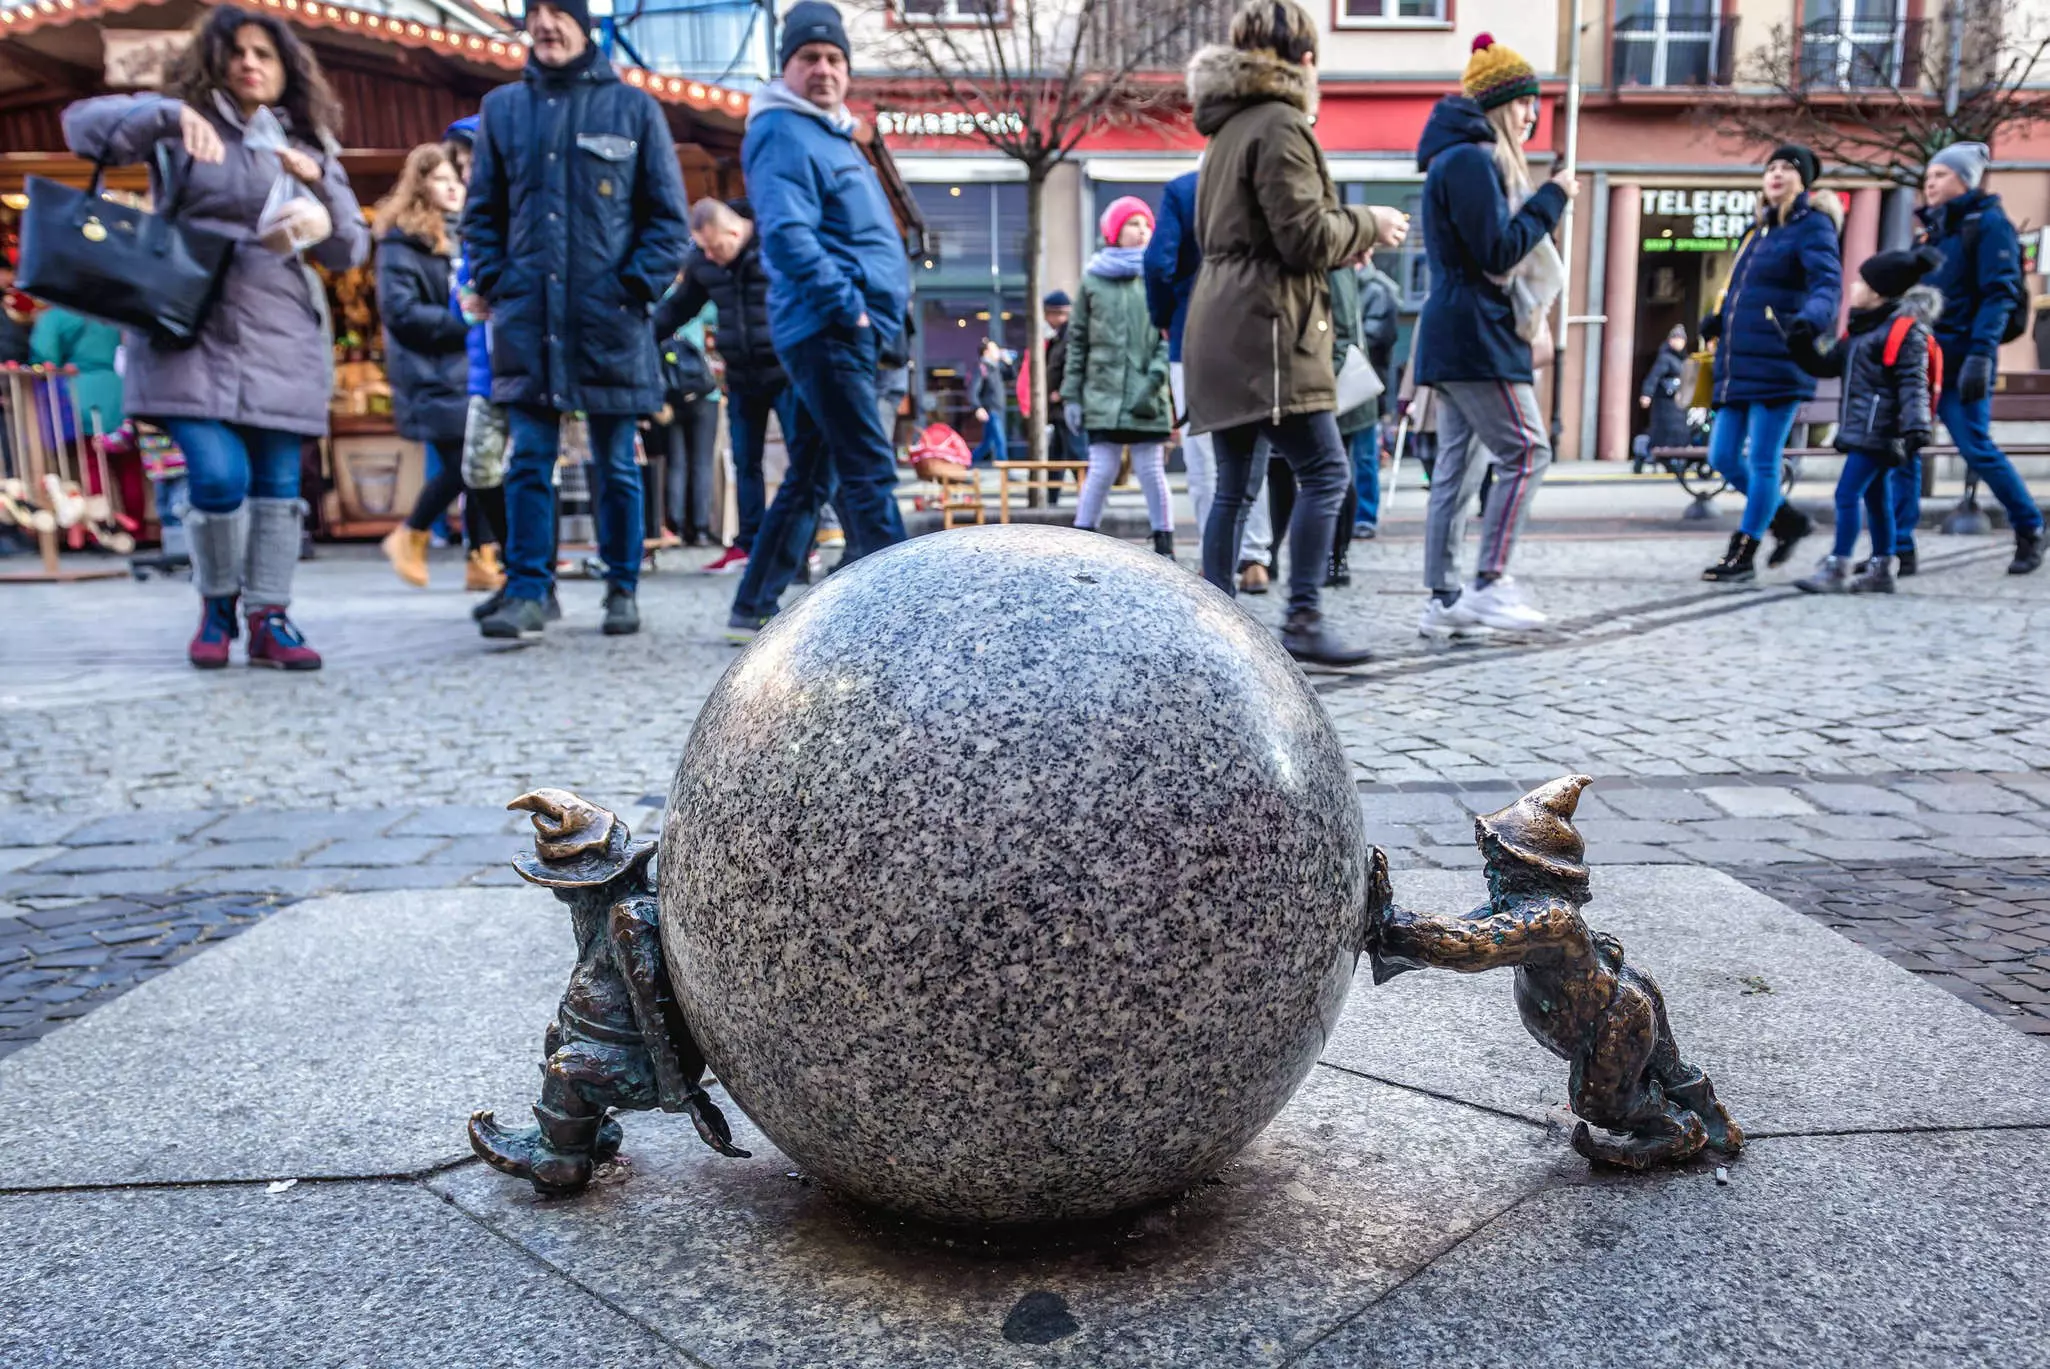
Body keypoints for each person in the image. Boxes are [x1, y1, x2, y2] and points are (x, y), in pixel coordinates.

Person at [62, 6, 367, 670]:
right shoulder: (179, 122)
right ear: (215, 61)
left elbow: (350, 249)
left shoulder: (310, 142)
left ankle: (270, 617)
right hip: (186, 325)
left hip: (281, 329)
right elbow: (82, 129)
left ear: (287, 69)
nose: (251, 63)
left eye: (265, 53)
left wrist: (320, 188)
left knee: (279, 483)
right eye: (237, 52)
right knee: (217, 471)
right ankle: (218, 603)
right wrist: (167, 115)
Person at [460, 0, 689, 640]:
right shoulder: (503, 110)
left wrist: (632, 288)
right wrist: (499, 283)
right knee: (529, 460)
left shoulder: (633, 108)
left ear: (583, 25)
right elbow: (482, 214)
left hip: (608, 320)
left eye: (559, 12)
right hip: (529, 320)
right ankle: (530, 589)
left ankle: (622, 586)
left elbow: (667, 219)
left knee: (615, 463)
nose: (546, 24)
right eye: (535, 12)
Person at [1184, 0, 1403, 665]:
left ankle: (1212, 628)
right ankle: (1303, 617)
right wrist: (1371, 224)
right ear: (1305, 61)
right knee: (1327, 472)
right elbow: (1305, 236)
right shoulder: (1280, 123)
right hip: (1269, 332)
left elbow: (1264, 233)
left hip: (1222, 322)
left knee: (1234, 485)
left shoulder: (1227, 130)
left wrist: (1340, 243)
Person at [726, 1, 910, 640]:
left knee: (811, 472)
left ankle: (752, 605)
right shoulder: (783, 130)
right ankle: (906, 617)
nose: (825, 69)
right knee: (867, 468)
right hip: (830, 327)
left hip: (837, 325)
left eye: (835, 58)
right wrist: (850, 308)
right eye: (810, 58)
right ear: (787, 67)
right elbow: (786, 234)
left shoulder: (828, 131)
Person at [1412, 34, 1574, 639]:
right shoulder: (1472, 159)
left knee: (1458, 467)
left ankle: (1445, 598)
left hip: (1458, 330)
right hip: (1477, 332)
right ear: (1502, 104)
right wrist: (1552, 198)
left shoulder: (1456, 158)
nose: (1533, 114)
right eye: (1526, 102)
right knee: (1528, 450)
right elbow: (1497, 251)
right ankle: (1489, 582)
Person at [1890, 142, 2043, 576]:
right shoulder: (1933, 232)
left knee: (1975, 447)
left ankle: (2030, 527)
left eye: (1939, 175)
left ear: (1964, 179)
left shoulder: (1989, 225)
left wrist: (1981, 354)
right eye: (1928, 176)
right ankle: (1900, 547)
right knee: (1905, 448)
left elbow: (2000, 294)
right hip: (1921, 358)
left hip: (1963, 358)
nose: (1929, 183)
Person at [1696, 143, 1841, 583]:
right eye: (1771, 167)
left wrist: (1809, 321)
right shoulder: (1756, 231)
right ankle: (1789, 520)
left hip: (1779, 356)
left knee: (1762, 461)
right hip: (1738, 361)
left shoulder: (1812, 226)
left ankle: (1743, 552)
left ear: (1803, 181)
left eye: (1786, 168)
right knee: (1722, 455)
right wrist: (1720, 318)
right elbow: (1744, 293)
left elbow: (1827, 284)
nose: (1776, 174)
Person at [374, 143, 505, 595]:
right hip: (429, 371)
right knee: (465, 466)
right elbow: (400, 311)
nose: (453, 188)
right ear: (422, 184)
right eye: (442, 180)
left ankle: (481, 559)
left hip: (468, 367)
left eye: (457, 179)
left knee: (479, 465)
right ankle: (410, 533)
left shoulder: (467, 234)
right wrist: (460, 320)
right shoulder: (402, 240)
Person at [1787, 248, 1941, 596]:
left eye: (1861, 281)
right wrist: (1800, 345)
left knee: (1846, 494)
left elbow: (1913, 383)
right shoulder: (1862, 329)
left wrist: (1918, 428)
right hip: (1863, 427)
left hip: (1881, 430)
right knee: (1876, 499)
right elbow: (1827, 367)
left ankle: (1838, 566)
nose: (1854, 286)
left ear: (1878, 291)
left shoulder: (1903, 332)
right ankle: (1882, 568)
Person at [656, 198, 791, 575]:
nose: (713, 257)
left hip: (785, 373)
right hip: (742, 377)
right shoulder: (704, 262)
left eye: (717, 248)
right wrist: (638, 338)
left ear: (735, 231)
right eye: (705, 249)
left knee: (802, 462)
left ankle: (799, 544)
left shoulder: (776, 245)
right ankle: (749, 542)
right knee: (745, 462)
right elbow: (677, 309)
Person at [1065, 197, 1175, 556]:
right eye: (1133, 223)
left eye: (1146, 224)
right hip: (1104, 393)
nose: (1142, 230)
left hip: (1147, 393)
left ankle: (1165, 542)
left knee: (1150, 470)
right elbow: (1077, 340)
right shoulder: (1093, 280)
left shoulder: (1158, 275)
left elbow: (1167, 336)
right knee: (1101, 469)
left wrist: (1155, 380)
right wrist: (1071, 395)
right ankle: (1083, 538)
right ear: (1114, 231)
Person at [1323, 253, 1378, 588]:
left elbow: (1343, 333)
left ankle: (1335, 560)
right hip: (1332, 382)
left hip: (1338, 386)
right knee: (1332, 472)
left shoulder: (1337, 262)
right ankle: (1331, 560)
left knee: (1334, 473)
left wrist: (1327, 377)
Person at [652, 303, 721, 546]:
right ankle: (700, 529)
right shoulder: (700, 300)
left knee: (676, 463)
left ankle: (676, 525)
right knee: (702, 462)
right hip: (703, 393)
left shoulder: (659, 300)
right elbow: (721, 315)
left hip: (669, 395)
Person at [1353, 253, 1400, 538]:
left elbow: (1375, 338)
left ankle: (1364, 516)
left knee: (1364, 455)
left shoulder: (1378, 290)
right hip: (1347, 381)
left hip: (1365, 384)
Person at [1639, 323, 1693, 457]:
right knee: (1662, 432)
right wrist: (1647, 394)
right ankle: (1649, 455)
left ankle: (1675, 457)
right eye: (1676, 339)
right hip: (1665, 401)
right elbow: (1654, 377)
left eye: (1681, 339)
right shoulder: (1665, 358)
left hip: (1679, 402)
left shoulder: (1684, 359)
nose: (1679, 342)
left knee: (1678, 432)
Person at [969, 337, 1009, 466]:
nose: (998, 351)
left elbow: (1011, 375)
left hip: (998, 409)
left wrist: (1008, 362)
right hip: (991, 410)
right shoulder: (983, 368)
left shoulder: (995, 368)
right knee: (999, 440)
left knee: (987, 443)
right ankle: (1005, 469)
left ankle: (966, 463)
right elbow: (973, 391)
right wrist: (977, 407)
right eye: (994, 349)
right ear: (986, 352)